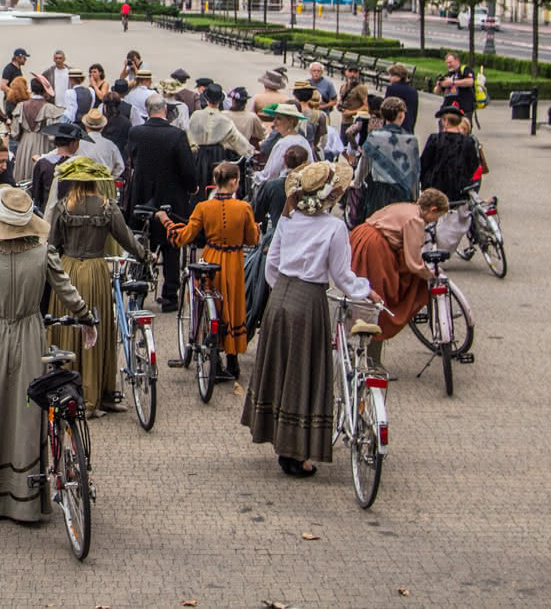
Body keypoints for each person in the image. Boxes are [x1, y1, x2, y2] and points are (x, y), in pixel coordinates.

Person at [0, 187, 95, 523]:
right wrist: (87, 317)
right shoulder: (43, 254)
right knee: (28, 408)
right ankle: (25, 498)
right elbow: (67, 292)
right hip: (31, 334)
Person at [241, 159, 380, 478]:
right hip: (308, 301)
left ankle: (279, 439)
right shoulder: (334, 228)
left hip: (280, 298)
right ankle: (295, 451)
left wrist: (283, 290)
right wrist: (366, 290)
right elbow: (342, 276)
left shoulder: (288, 219)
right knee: (302, 374)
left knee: (279, 369)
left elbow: (272, 265)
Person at [45, 158, 140, 413]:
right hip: (97, 271)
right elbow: (127, 239)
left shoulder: (64, 206)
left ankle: (67, 391)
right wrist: (144, 255)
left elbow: (52, 244)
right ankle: (98, 394)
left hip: (68, 269)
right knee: (97, 330)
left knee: (68, 329)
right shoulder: (107, 206)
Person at [156, 161, 260, 379]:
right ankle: (232, 361)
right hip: (233, 262)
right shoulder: (244, 208)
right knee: (232, 306)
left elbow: (183, 237)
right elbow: (252, 239)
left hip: (210, 259)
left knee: (210, 305)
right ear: (234, 182)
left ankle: (212, 354)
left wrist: (166, 221)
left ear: (215, 180)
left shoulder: (203, 208)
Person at [347, 189, 449, 374]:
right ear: (432, 209)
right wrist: (429, 276)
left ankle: (355, 349)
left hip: (361, 236)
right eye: (438, 216)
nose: (436, 221)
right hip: (375, 247)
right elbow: (413, 263)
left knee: (362, 296)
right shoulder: (416, 220)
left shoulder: (405, 207)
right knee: (380, 300)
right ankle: (372, 361)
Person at [125, 95, 197, 311]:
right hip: (170, 198)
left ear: (148, 110)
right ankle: (169, 296)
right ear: (165, 110)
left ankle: (139, 288)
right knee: (171, 246)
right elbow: (187, 168)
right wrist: (192, 187)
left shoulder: (135, 132)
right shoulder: (176, 135)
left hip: (142, 196)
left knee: (142, 242)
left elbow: (132, 159)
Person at [419, 105, 481, 252]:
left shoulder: (435, 139)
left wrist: (424, 181)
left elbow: (424, 163)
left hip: (435, 188)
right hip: (458, 190)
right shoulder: (468, 142)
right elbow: (473, 165)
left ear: (445, 122)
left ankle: (429, 247)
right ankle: (445, 247)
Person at [353, 97, 420, 220]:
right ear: (401, 116)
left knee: (376, 222)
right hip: (402, 192)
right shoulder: (411, 140)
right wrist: (415, 196)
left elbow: (365, 164)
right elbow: (414, 171)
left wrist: (357, 182)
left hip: (379, 191)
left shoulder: (375, 137)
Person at [186, 83, 252, 204]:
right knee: (217, 183)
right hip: (217, 155)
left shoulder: (196, 116)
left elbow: (188, 135)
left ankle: (198, 207)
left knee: (199, 185)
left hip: (199, 154)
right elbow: (236, 139)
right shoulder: (225, 120)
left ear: (206, 99)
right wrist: (249, 151)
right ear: (220, 101)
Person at [12, 75, 67, 168]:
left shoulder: (21, 106)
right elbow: (52, 136)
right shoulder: (49, 108)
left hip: (25, 145)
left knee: (25, 170)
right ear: (44, 90)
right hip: (43, 143)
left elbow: (15, 133)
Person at [28, 121, 83, 212]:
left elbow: (36, 195)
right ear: (73, 143)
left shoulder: (42, 163)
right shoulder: (81, 165)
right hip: (73, 213)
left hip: (46, 212)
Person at [259, 103, 313, 182]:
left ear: (290, 122)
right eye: (274, 118)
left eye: (279, 118)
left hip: (285, 185)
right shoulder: (303, 141)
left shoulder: (283, 143)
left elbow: (271, 173)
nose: (274, 122)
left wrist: (257, 177)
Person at [77, 108, 125, 180]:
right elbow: (120, 166)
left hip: (84, 182)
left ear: (86, 126)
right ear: (102, 127)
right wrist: (111, 178)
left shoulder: (78, 144)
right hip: (104, 182)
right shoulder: (110, 145)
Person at [434, 52, 477, 117]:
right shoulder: (447, 75)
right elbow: (436, 92)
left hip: (463, 110)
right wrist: (439, 85)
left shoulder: (465, 69)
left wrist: (453, 82)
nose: (448, 65)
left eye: (450, 62)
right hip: (447, 110)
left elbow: (470, 82)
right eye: (447, 63)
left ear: (457, 60)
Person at [384, 63, 420, 134]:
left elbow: (387, 109)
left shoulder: (392, 88)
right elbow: (414, 112)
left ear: (398, 76)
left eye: (391, 75)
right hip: (408, 127)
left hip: (395, 126)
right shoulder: (413, 91)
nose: (389, 78)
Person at [100, 90, 134, 160]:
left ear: (105, 105)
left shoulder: (101, 121)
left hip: (103, 157)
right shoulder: (126, 122)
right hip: (120, 157)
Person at [338, 63, 370, 131]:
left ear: (358, 74)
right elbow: (341, 100)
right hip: (344, 121)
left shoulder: (361, 88)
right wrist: (339, 105)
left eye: (355, 72)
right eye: (350, 71)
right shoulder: (343, 86)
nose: (352, 74)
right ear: (346, 72)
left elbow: (366, 107)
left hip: (355, 122)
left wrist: (351, 112)